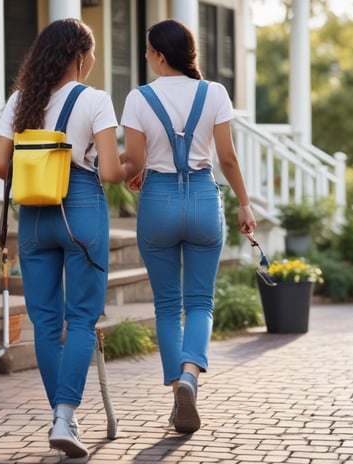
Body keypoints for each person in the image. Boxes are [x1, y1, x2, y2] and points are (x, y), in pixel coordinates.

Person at [0, 18, 129, 458]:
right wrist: (133, 167)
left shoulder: (19, 100)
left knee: (46, 323)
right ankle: (64, 418)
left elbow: (1, 166)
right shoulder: (95, 100)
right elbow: (109, 172)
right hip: (81, 211)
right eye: (89, 56)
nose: (91, 64)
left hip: (33, 216)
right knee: (83, 319)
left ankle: (62, 418)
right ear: (79, 55)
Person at [120, 19, 257, 434]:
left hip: (158, 201)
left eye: (147, 50)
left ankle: (176, 387)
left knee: (166, 305)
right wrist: (245, 203)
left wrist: (130, 173)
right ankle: (189, 378)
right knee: (200, 302)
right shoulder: (213, 92)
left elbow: (135, 161)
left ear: (160, 55)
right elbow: (227, 158)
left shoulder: (139, 98)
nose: (145, 57)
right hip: (202, 199)